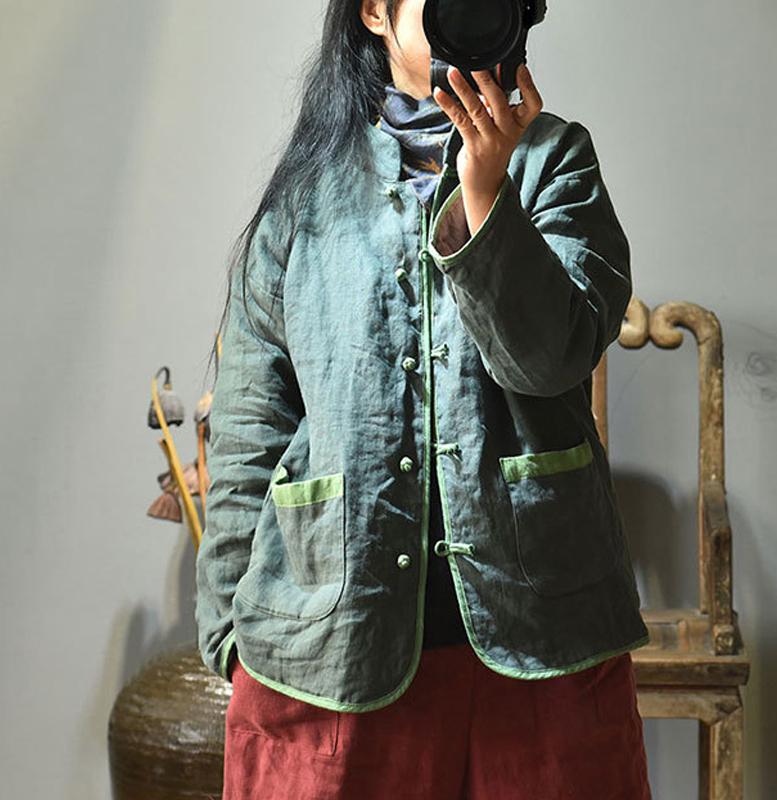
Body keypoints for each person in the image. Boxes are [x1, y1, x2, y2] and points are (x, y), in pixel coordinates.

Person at [195, 0, 653, 797]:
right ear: (375, 11)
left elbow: (548, 363)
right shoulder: (307, 192)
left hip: (543, 640)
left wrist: (485, 193)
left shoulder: (554, 160)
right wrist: (229, 634)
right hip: (328, 650)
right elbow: (250, 429)